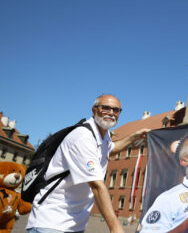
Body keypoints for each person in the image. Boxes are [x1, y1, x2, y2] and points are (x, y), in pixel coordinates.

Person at [26, 94, 150, 233]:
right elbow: (96, 185)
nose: (111, 113)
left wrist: (134, 136)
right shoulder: (83, 137)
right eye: (105, 108)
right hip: (51, 222)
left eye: (116, 110)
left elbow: (111, 149)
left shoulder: (104, 136)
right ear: (94, 110)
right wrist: (115, 227)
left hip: (75, 224)